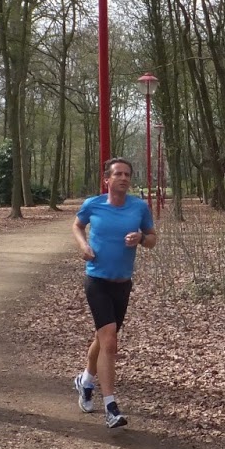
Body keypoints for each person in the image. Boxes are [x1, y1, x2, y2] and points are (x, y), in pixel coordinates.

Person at [72, 157, 157, 431]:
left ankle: (85, 381)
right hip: (96, 280)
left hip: (122, 284)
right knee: (110, 342)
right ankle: (110, 407)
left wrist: (141, 239)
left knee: (104, 337)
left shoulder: (139, 207)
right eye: (118, 174)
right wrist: (83, 246)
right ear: (107, 179)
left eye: (127, 174)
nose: (123, 178)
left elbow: (153, 239)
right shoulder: (93, 205)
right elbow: (77, 225)